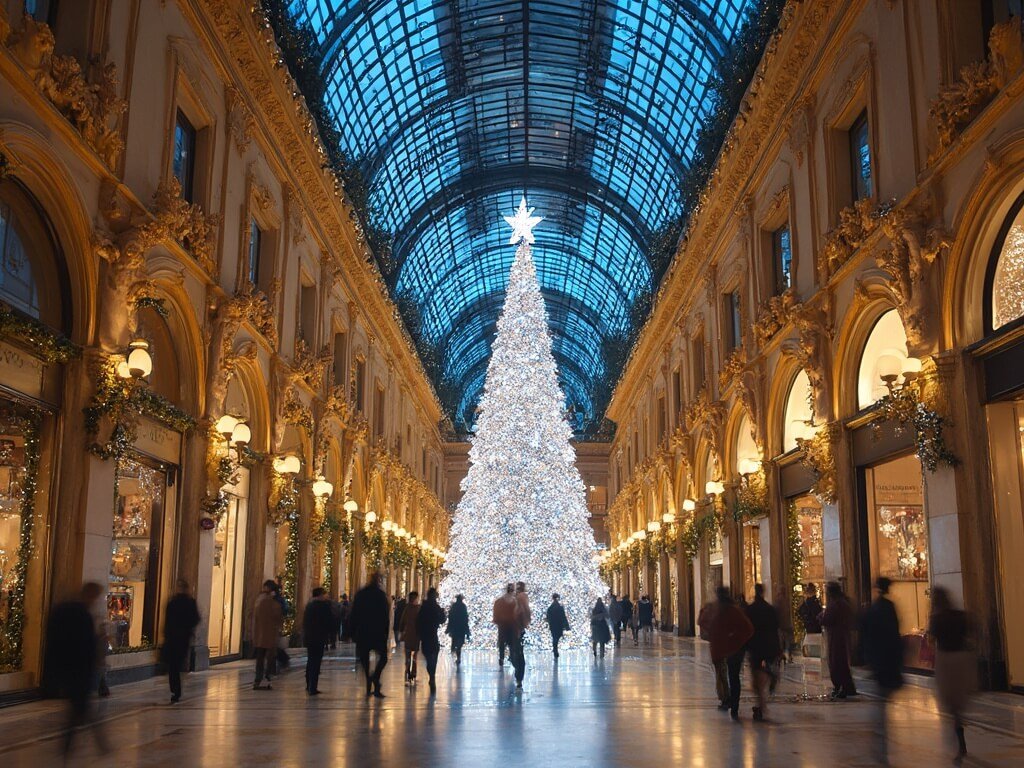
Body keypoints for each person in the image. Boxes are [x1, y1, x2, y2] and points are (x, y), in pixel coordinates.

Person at [44, 582, 110, 758]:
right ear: (90, 595)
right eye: (95, 597)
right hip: (78, 670)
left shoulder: (64, 610)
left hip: (69, 669)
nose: (95, 601)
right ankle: (97, 744)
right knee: (81, 708)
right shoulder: (81, 614)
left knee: (79, 708)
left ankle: (75, 747)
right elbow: (85, 646)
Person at [928, 586, 975, 765]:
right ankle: (959, 731)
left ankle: (959, 736)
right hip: (961, 659)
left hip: (946, 660)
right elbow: (972, 631)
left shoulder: (936, 618)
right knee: (959, 701)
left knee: (951, 703)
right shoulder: (960, 615)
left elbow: (932, 639)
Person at [861, 577, 904, 765]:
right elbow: (895, 635)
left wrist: (868, 658)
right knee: (882, 705)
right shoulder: (888, 607)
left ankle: (880, 749)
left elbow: (867, 634)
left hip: (881, 663)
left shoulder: (875, 609)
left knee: (880, 708)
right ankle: (880, 749)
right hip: (889, 662)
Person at [707, 587, 753, 720]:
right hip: (733, 650)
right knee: (733, 677)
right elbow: (748, 629)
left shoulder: (721, 611)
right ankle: (733, 705)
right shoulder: (732, 610)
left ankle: (729, 702)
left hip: (727, 650)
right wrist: (738, 642)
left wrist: (733, 641)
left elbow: (709, 627)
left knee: (726, 676)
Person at [744, 583, 782, 721]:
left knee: (756, 677)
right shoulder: (770, 609)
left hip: (755, 646)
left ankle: (760, 704)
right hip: (769, 645)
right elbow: (776, 628)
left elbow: (746, 629)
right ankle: (761, 704)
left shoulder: (750, 609)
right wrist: (778, 648)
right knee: (762, 673)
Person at [350, 572, 390, 697]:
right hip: (377, 632)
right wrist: (386, 632)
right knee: (383, 658)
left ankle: (369, 681)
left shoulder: (361, 594)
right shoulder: (381, 595)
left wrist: (352, 631)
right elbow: (385, 615)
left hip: (363, 632)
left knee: (364, 659)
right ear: (379, 581)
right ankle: (375, 678)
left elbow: (354, 614)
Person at [163, 579, 200, 703]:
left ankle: (175, 690)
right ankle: (176, 690)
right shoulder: (188, 602)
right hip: (182, 638)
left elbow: (167, 622)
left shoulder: (173, 602)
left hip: (174, 638)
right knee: (176, 665)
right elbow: (196, 619)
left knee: (173, 666)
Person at [819, 581, 857, 699]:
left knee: (836, 663)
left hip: (836, 637)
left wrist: (820, 617)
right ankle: (846, 687)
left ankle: (841, 687)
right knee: (841, 663)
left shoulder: (835, 604)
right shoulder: (842, 602)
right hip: (841, 636)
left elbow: (827, 619)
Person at [302, 587, 334, 695]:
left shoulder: (309, 606)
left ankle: (308, 684)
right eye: (325, 594)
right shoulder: (323, 606)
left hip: (309, 637)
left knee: (310, 660)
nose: (326, 596)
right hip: (319, 637)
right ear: (320, 595)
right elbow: (329, 621)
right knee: (316, 662)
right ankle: (313, 687)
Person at [253, 579, 284, 690]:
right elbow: (279, 616)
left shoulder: (259, 600)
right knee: (269, 658)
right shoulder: (272, 602)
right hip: (270, 634)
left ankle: (259, 679)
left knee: (260, 658)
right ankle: (266, 678)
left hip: (260, 634)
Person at [697, 600, 728, 708]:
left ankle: (724, 697)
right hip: (722, 649)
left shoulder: (713, 619)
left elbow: (700, 622)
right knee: (723, 674)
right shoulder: (722, 616)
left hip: (717, 649)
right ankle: (726, 696)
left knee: (720, 674)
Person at [417, 587, 447, 694]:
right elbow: (442, 620)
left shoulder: (424, 607)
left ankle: (432, 675)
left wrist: (419, 634)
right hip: (433, 635)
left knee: (428, 656)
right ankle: (432, 676)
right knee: (433, 656)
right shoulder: (436, 607)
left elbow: (418, 621)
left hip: (425, 636)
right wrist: (443, 613)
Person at [494, 583, 525, 688]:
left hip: (503, 630)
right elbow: (522, 616)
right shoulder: (516, 602)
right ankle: (518, 677)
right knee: (515, 652)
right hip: (514, 631)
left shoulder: (499, 602)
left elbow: (496, 618)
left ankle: (503, 658)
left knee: (503, 646)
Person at [796, 583, 823, 657]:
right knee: (816, 647)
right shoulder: (814, 602)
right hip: (816, 627)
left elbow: (800, 611)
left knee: (812, 646)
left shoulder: (807, 602)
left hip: (809, 626)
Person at [402, 591, 422, 684]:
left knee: (408, 654)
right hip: (416, 636)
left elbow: (402, 621)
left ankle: (407, 670)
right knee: (415, 655)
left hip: (408, 635)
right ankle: (413, 672)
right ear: (415, 599)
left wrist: (401, 630)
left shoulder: (407, 608)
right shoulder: (419, 609)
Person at [446, 594, 470, 665]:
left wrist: (449, 628)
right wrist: (467, 629)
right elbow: (465, 618)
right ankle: (458, 655)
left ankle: (455, 651)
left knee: (455, 640)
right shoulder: (463, 606)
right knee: (460, 643)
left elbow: (450, 617)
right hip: (461, 627)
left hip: (455, 627)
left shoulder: (454, 606)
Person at [546, 593, 571, 658]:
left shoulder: (550, 608)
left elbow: (548, 617)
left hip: (553, 625)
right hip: (559, 625)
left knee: (554, 637)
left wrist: (548, 623)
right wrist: (567, 627)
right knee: (557, 637)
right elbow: (563, 617)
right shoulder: (560, 607)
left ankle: (555, 649)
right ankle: (555, 649)